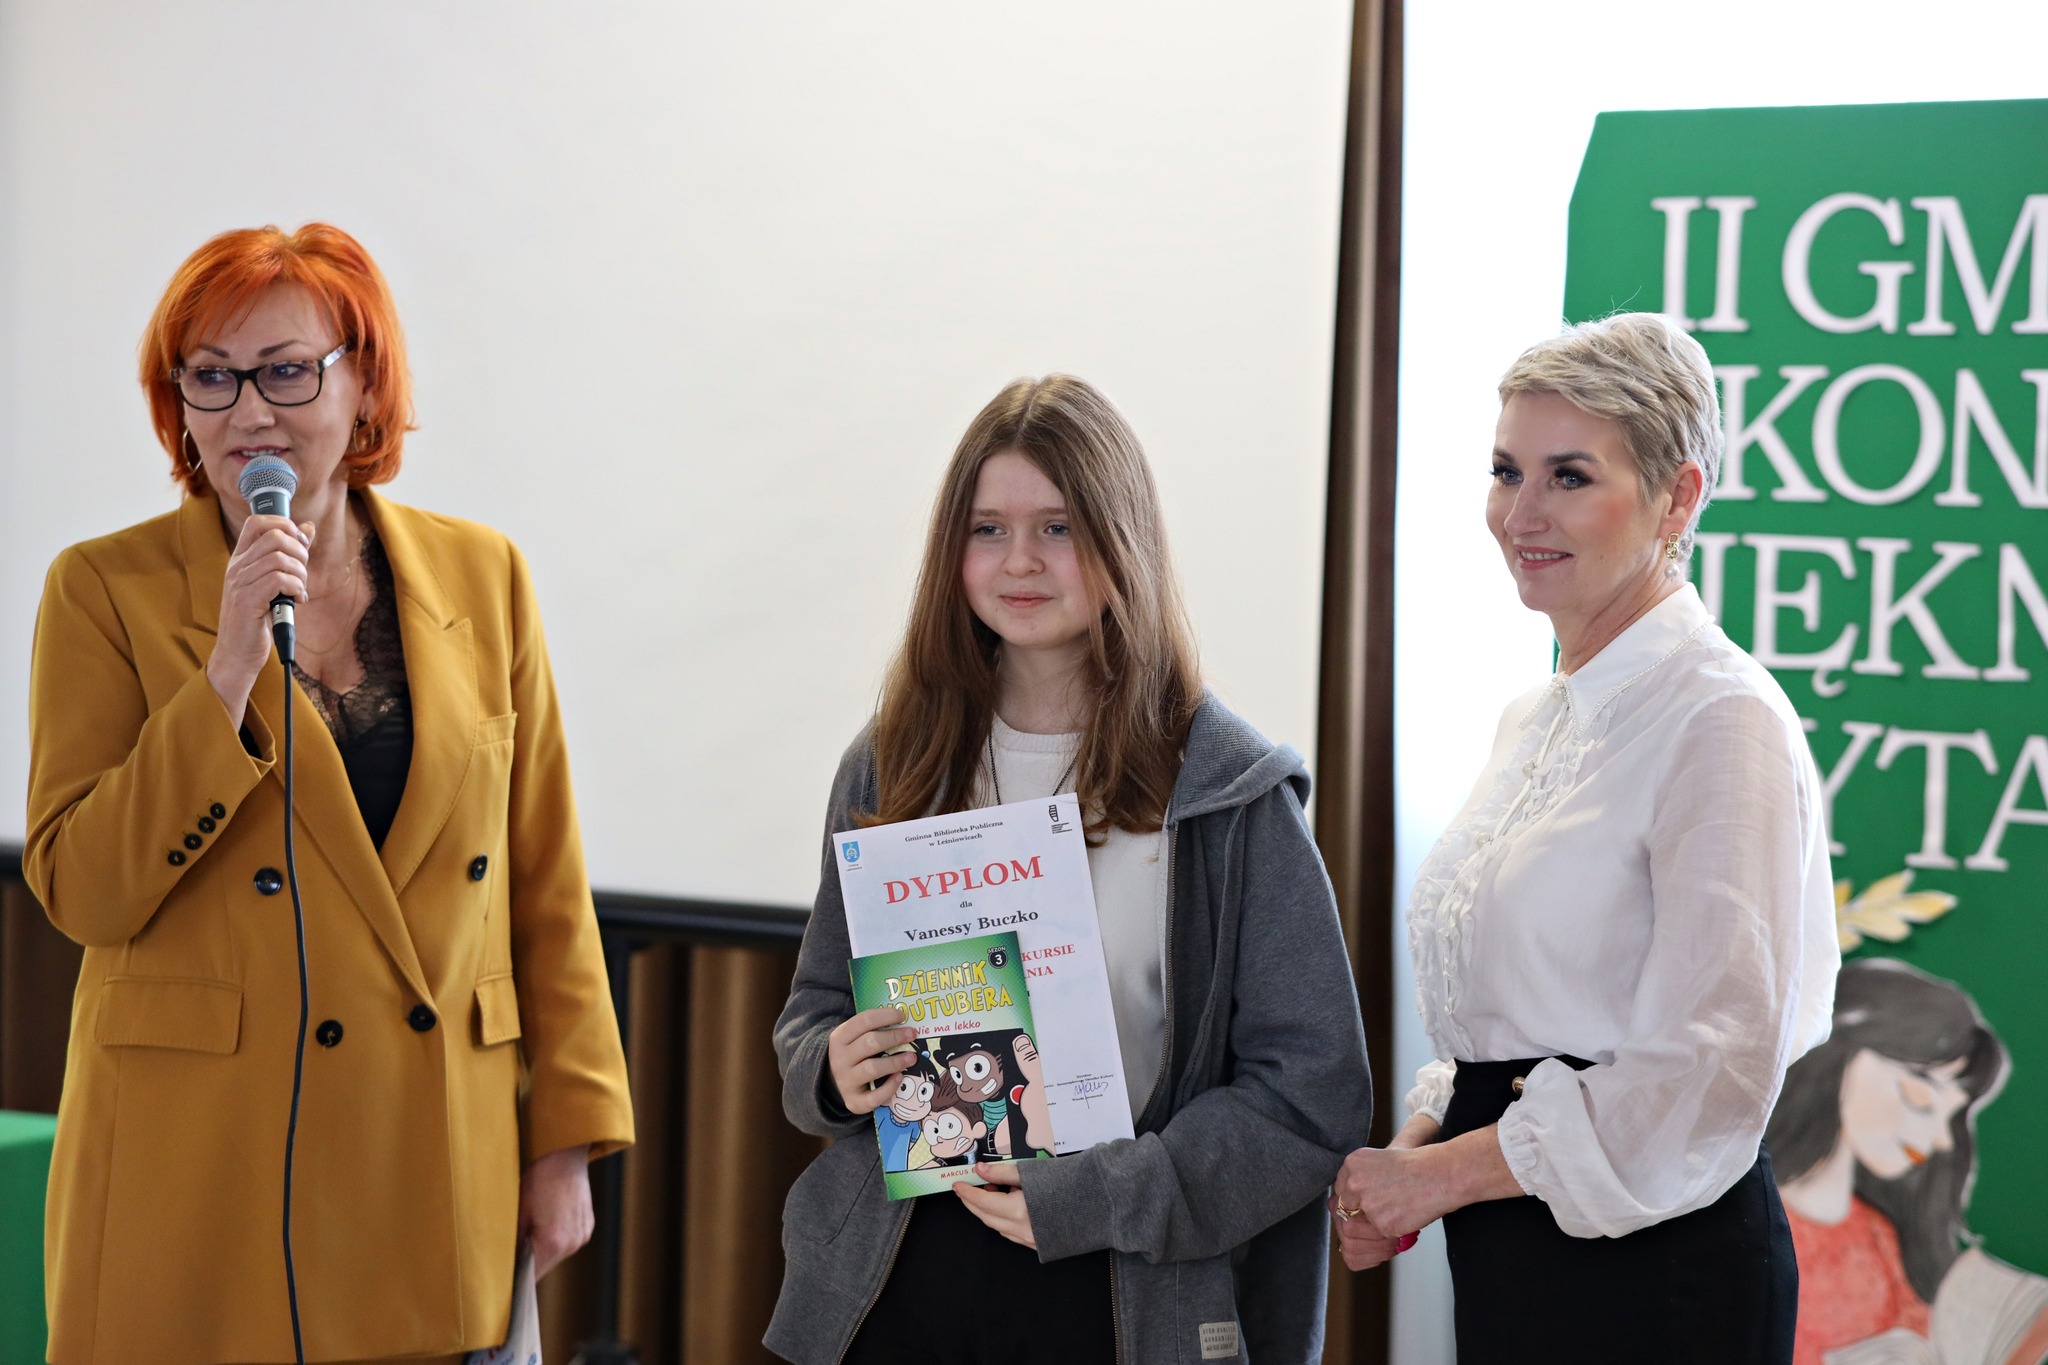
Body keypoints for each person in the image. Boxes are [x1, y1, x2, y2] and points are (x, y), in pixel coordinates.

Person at [24, 223, 634, 1364]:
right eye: (211, 376)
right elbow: (84, 890)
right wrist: (225, 673)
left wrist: (567, 1141)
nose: (248, 410)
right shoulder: (104, 589)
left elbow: (545, 880)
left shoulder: (484, 573)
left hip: (429, 1148)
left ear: (365, 385)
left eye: (287, 370)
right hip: (200, 1171)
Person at [767, 374, 1372, 1364]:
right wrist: (831, 1070)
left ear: (1121, 540)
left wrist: (1100, 1196)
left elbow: (1311, 1094)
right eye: (988, 529)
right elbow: (814, 1013)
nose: (1020, 561)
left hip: (1122, 1289)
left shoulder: (1227, 792)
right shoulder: (890, 761)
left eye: (1058, 528)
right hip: (896, 1285)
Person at [1332, 313, 1839, 1363]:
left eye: (1569, 476)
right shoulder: (1533, 717)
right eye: (1505, 471)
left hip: (1657, 1271)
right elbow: (1514, 1024)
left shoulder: (1721, 716)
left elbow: (1708, 1066)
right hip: (1514, 1248)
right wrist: (1411, 1156)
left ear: (1677, 496)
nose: (1521, 513)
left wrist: (1438, 1176)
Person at [1769, 958, 2048, 1365]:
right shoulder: (1753, 1224)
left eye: (1952, 1115)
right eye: (1920, 1097)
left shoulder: (1884, 1239)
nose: (1940, 1139)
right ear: (1837, 1058)